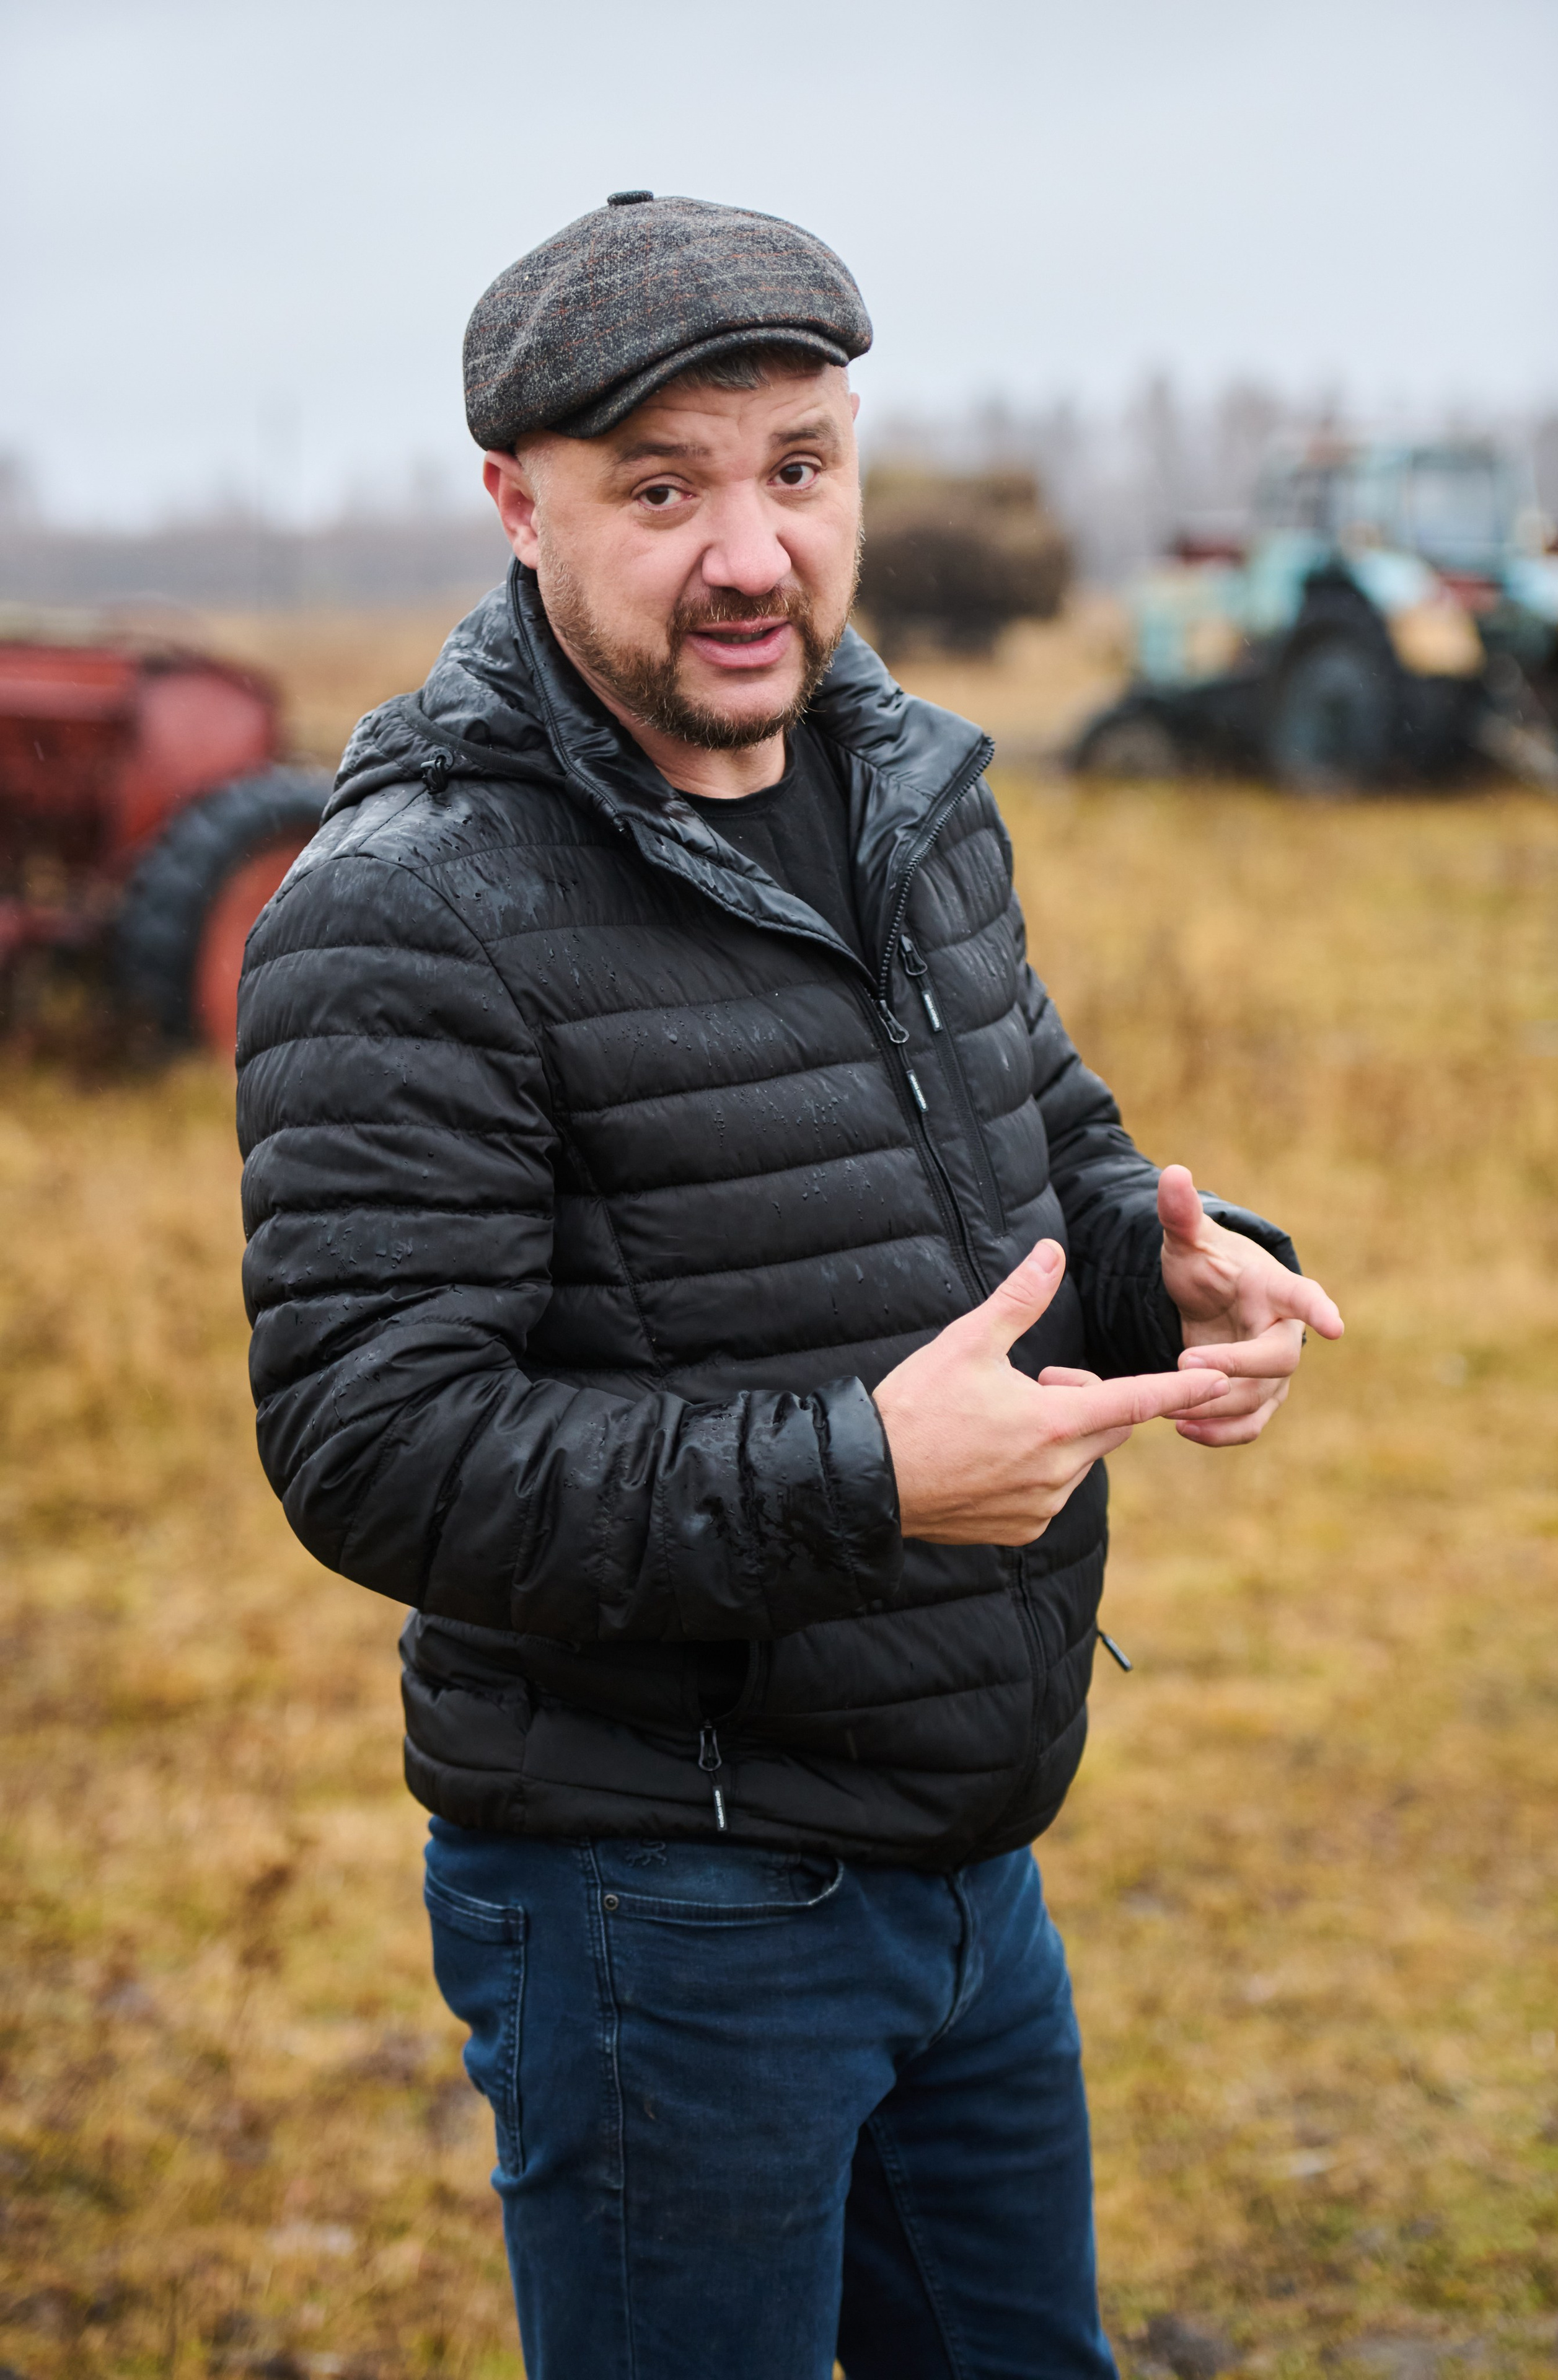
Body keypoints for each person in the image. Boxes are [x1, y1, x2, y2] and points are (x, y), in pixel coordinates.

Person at [237, 193, 1341, 2380]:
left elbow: (1038, 1145)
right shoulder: (404, 911)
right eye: (664, 489)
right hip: (662, 1908)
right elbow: (374, 1446)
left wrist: (1177, 1271)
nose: (754, 553)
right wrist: (862, 1474)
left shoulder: (903, 791)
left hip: (968, 1868)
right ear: (516, 508)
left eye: (799, 469)